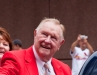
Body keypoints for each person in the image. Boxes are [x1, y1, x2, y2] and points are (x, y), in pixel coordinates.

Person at [0, 18, 71, 75]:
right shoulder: (15, 59)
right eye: (44, 34)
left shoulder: (65, 70)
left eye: (53, 38)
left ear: (60, 44)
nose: (47, 40)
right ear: (35, 34)